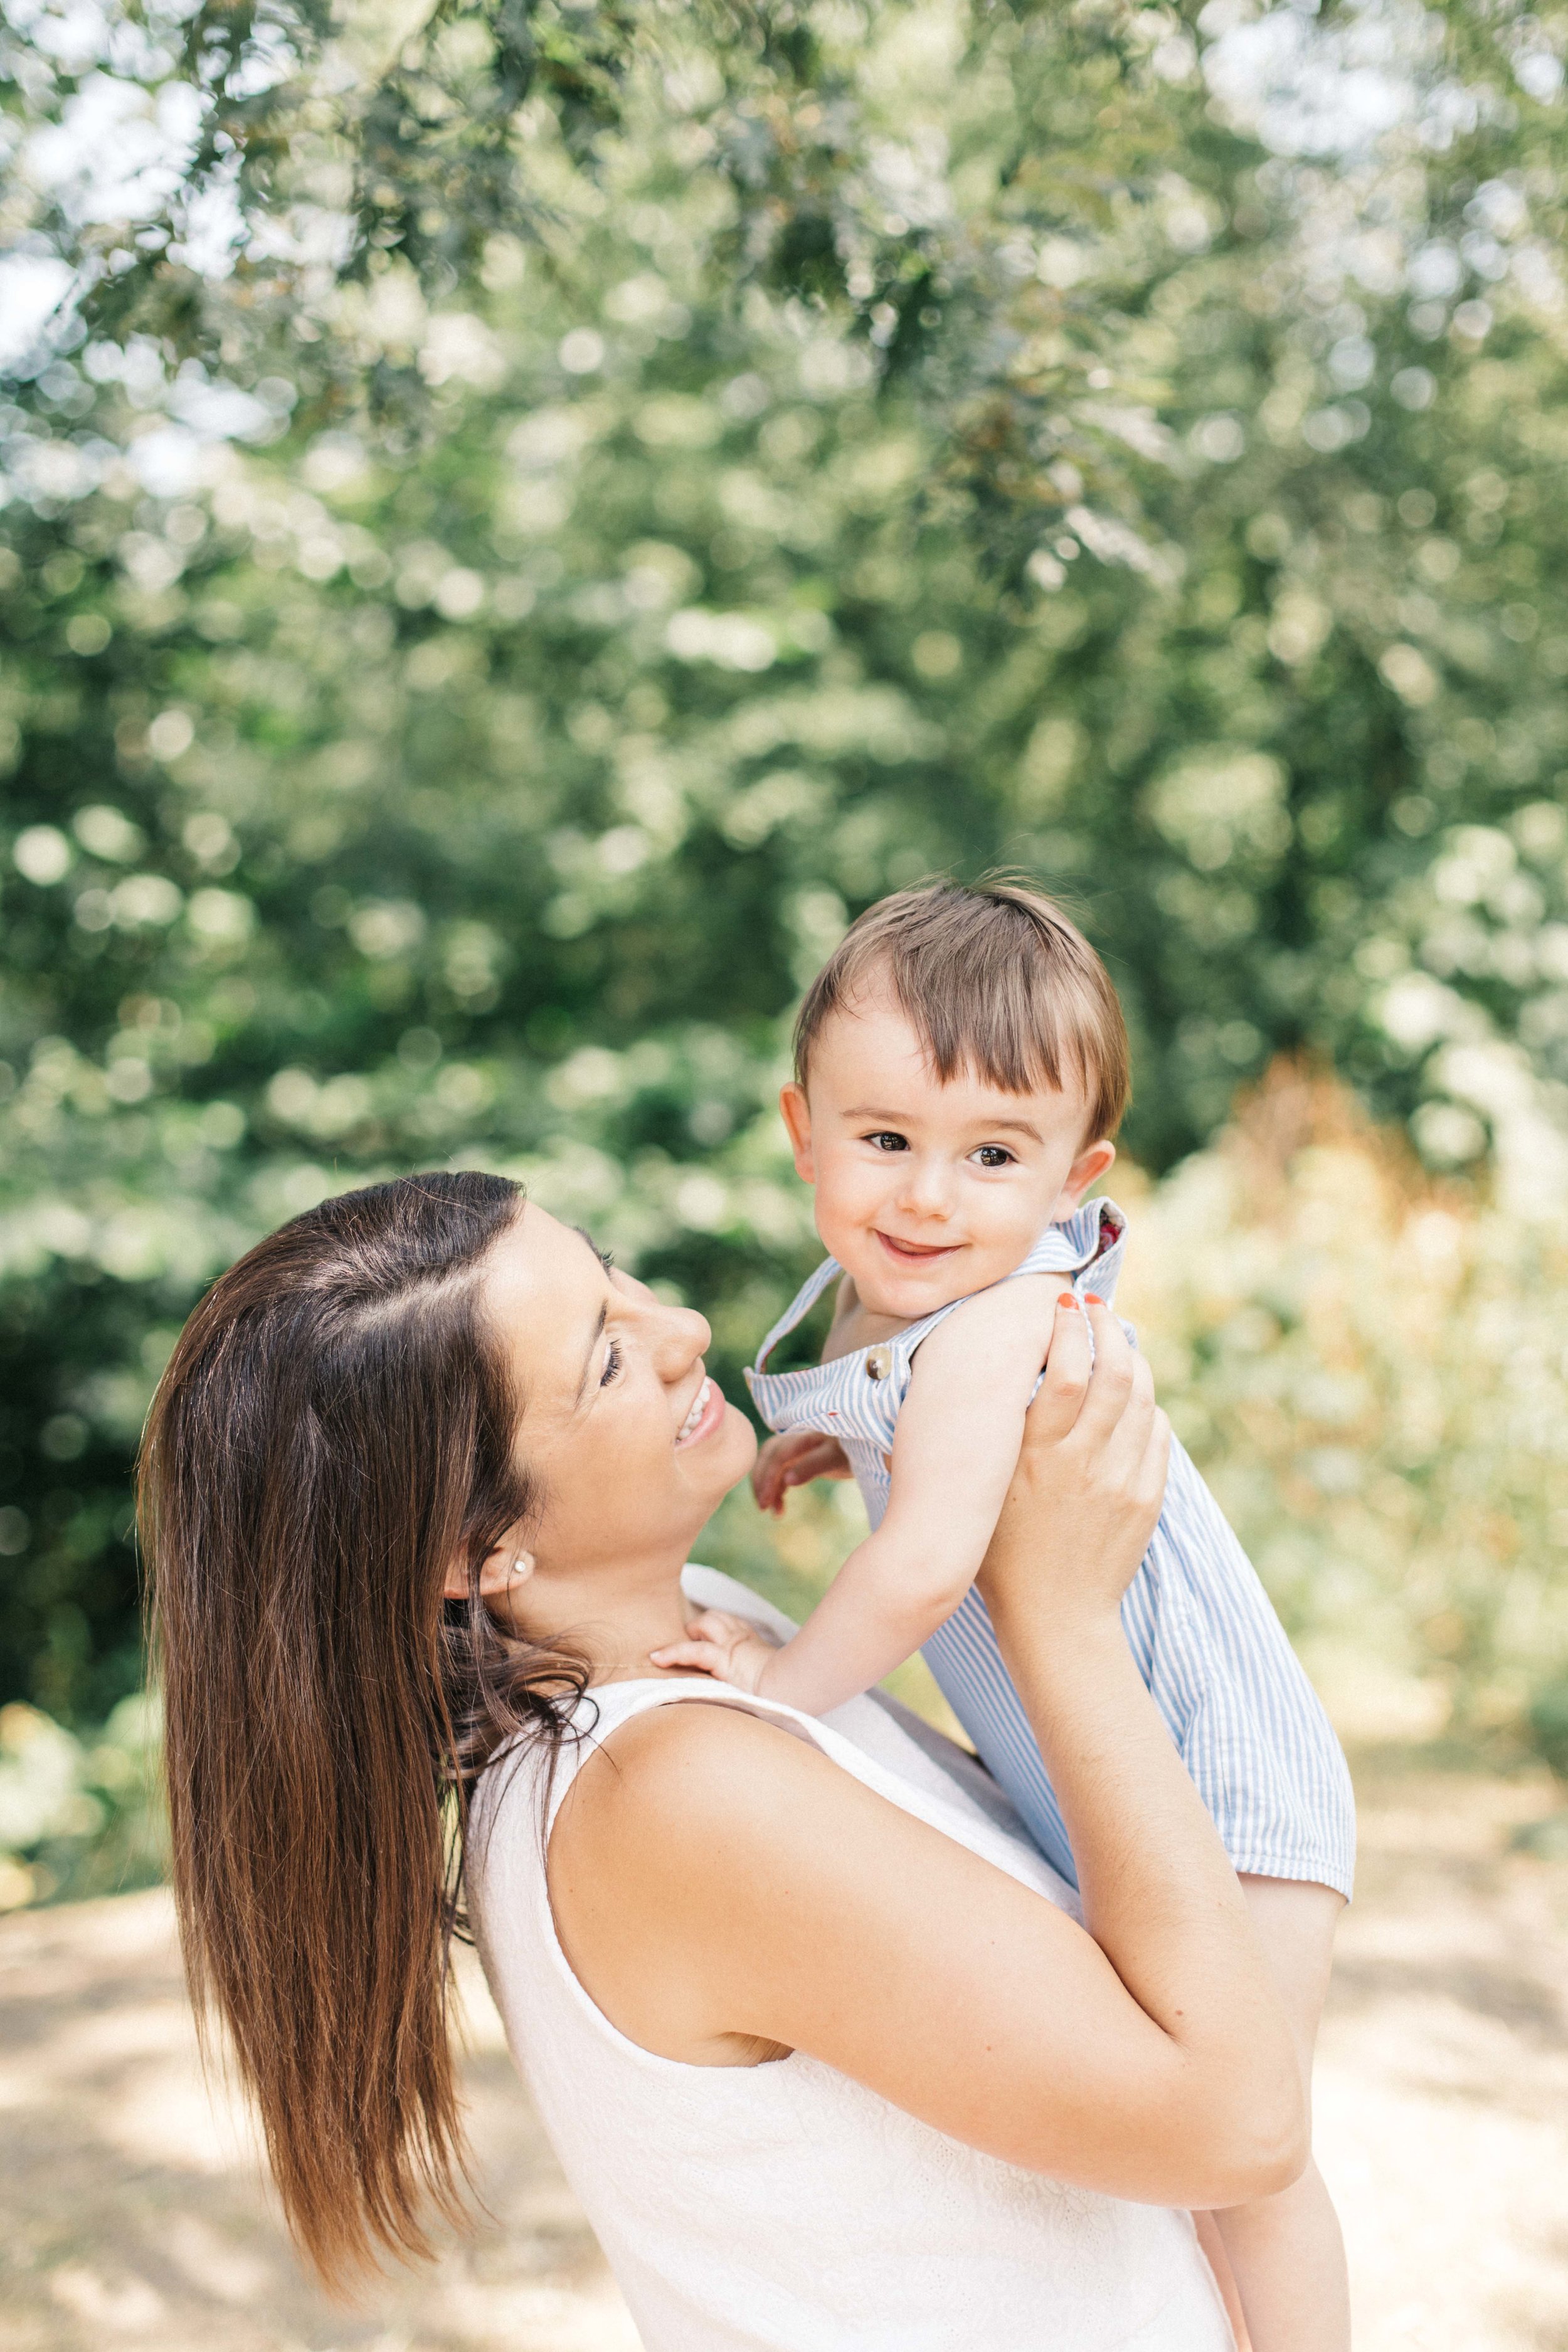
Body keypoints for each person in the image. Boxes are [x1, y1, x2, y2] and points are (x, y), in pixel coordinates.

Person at [141, 1170, 1306, 2348]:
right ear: (476, 1547)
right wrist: (1063, 1616)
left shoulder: (688, 1642)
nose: (682, 1329)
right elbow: (1241, 2127)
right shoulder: (670, 1794)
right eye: (602, 1359)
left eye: (610, 1273)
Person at [654, 882, 1354, 2351]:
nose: (925, 1195)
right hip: (1090, 1770)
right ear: (804, 1131)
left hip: (1219, 1775)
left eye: (991, 1155)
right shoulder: (886, 1292)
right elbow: (895, 1434)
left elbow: (918, 1572)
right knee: (1161, 2145)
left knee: (1252, 2145)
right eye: (885, 1140)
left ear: (1071, 1178)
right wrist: (824, 1442)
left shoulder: (991, 1326)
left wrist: (782, 1687)